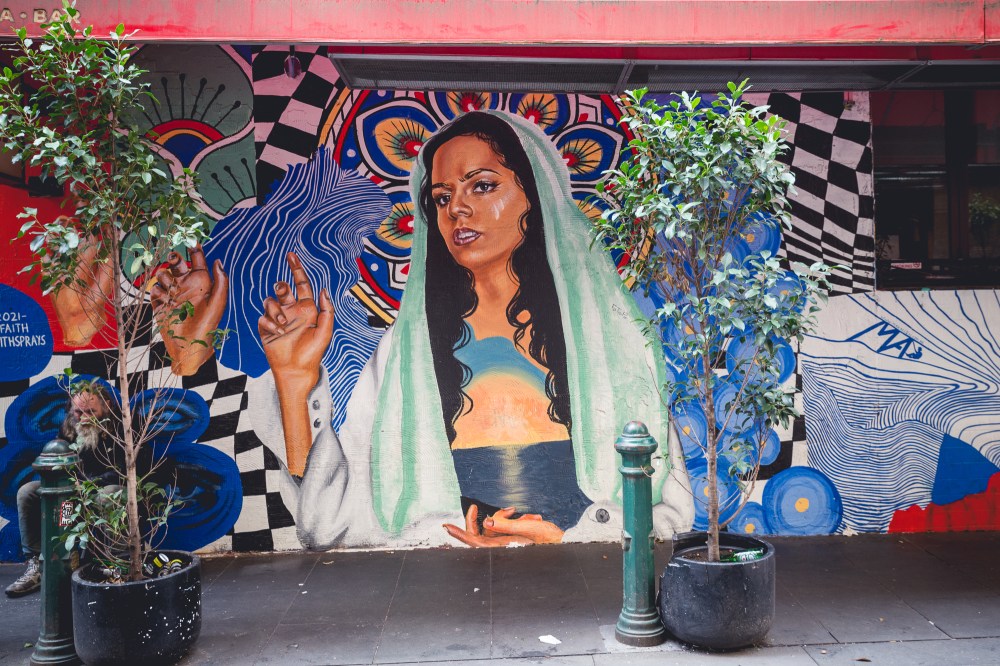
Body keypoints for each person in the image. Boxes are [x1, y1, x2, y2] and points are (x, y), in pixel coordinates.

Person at [244, 110, 693, 549]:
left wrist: (570, 537)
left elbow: (671, 516)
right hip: (447, 594)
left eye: (482, 186)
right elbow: (329, 529)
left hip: (586, 589)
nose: (457, 208)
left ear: (533, 196)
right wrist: (293, 381)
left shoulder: (607, 341)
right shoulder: (407, 357)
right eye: (441, 197)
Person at [6, 385, 121, 597]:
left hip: (102, 493)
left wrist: (90, 484)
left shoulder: (121, 430)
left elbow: (127, 473)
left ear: (106, 408)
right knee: (27, 492)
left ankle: (110, 566)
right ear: (71, 410)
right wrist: (67, 487)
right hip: (71, 499)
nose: (84, 418)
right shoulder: (68, 428)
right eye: (78, 412)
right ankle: (39, 565)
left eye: (91, 412)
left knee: (109, 495)